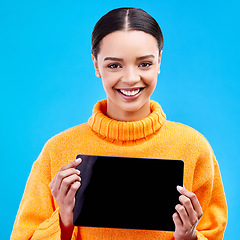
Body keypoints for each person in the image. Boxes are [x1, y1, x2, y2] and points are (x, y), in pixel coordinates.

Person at [11, 7, 227, 240]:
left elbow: (212, 232)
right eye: (114, 65)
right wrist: (64, 219)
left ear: (159, 62)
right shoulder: (57, 150)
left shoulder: (194, 147)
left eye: (144, 64)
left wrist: (189, 236)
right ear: (96, 65)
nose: (131, 78)